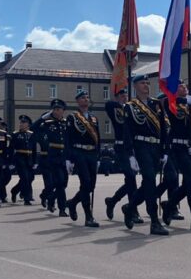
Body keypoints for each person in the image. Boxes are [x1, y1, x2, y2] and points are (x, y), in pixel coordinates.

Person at [122, 74, 170, 236]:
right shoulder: (130, 106)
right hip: (140, 146)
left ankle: (129, 208)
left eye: (147, 83)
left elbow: (163, 129)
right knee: (149, 178)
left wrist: (165, 150)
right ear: (135, 86)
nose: (146, 85)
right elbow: (127, 132)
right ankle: (155, 221)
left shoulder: (156, 104)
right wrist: (130, 155)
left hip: (155, 147)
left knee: (147, 183)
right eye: (142, 83)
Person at [160, 81, 191, 231]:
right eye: (181, 86)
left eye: (185, 86)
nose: (185, 88)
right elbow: (167, 103)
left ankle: (169, 205)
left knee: (189, 183)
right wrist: (183, 101)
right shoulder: (171, 105)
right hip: (178, 148)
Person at [103, 88, 143, 223]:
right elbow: (108, 105)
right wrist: (121, 104)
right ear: (116, 97)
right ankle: (133, 211)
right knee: (131, 178)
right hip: (121, 148)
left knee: (130, 181)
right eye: (121, 95)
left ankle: (112, 201)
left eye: (126, 94)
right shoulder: (115, 109)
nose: (124, 96)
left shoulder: (131, 110)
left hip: (133, 148)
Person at [64, 90, 101, 227]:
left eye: (87, 97)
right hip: (79, 153)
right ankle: (88, 216)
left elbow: (98, 138)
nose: (86, 99)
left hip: (91, 154)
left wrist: (98, 156)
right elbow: (67, 138)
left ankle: (72, 203)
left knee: (91, 186)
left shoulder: (94, 118)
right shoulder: (72, 117)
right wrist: (68, 158)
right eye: (83, 98)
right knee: (85, 182)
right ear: (78, 101)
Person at [33, 99, 69, 216]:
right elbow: (33, 129)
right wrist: (43, 118)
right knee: (59, 182)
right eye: (54, 109)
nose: (56, 111)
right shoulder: (47, 123)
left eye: (59, 109)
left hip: (64, 156)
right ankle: (62, 208)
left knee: (64, 183)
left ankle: (51, 199)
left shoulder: (66, 122)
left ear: (63, 111)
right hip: (52, 156)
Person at [10, 115, 37, 205]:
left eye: (24, 122)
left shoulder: (31, 134)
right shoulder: (15, 134)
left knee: (30, 178)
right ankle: (27, 198)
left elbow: (34, 149)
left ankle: (14, 191)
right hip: (20, 158)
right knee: (25, 178)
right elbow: (11, 149)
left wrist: (35, 161)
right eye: (21, 122)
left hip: (29, 159)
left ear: (28, 124)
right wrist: (11, 161)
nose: (21, 124)